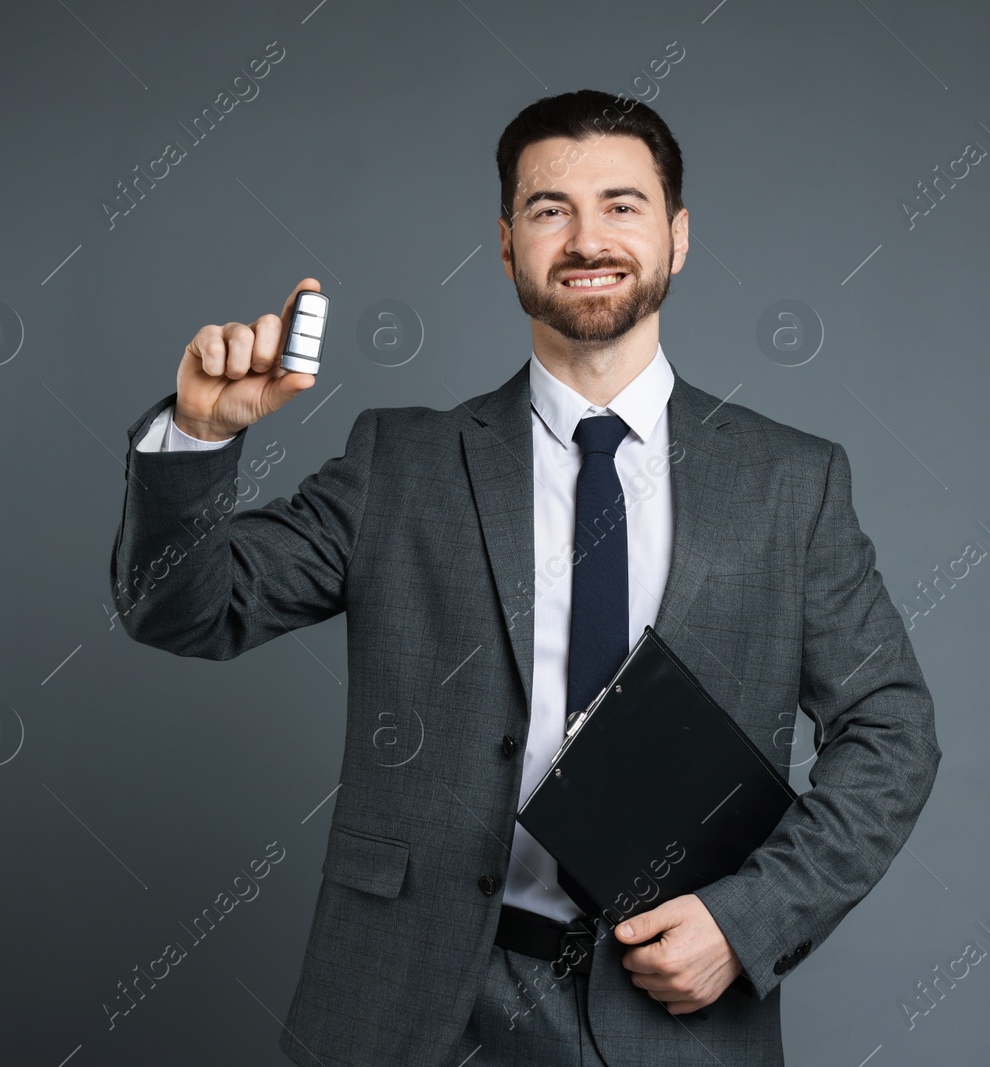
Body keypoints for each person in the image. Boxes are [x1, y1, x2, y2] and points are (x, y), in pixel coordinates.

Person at [110, 88, 940, 1067]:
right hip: (417, 1010)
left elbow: (892, 732)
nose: (587, 238)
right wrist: (201, 435)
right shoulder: (400, 462)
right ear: (506, 246)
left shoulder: (789, 480)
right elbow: (183, 608)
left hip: (674, 1018)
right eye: (551, 209)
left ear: (677, 238)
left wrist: (746, 919)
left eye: (622, 205)